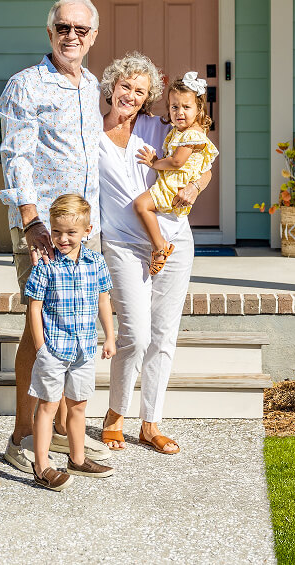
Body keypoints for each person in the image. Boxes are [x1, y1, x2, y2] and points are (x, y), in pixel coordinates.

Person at [0, 0, 109, 472]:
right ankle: (21, 437)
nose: (72, 37)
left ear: (93, 37)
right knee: (37, 323)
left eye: (81, 31)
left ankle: (63, 432)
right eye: (64, 28)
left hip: (85, 227)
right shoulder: (26, 85)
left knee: (75, 318)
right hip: (42, 226)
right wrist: (31, 220)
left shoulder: (91, 85)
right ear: (50, 32)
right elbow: (15, 155)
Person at [98, 53, 211, 454]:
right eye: (125, 86)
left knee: (164, 335)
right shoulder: (88, 134)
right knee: (136, 334)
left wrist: (195, 189)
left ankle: (151, 423)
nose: (130, 95)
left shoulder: (159, 128)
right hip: (124, 244)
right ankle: (115, 414)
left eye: (140, 90)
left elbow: (203, 161)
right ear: (111, 87)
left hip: (175, 242)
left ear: (149, 98)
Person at [26, 194, 115, 491]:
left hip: (84, 349)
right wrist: (40, 348)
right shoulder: (45, 266)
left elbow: (104, 300)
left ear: (87, 231)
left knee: (78, 405)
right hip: (53, 349)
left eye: (71, 232)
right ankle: (42, 466)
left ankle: (77, 459)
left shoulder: (95, 262)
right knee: (48, 406)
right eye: (57, 231)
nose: (63, 238)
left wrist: (110, 337)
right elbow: (34, 308)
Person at [133, 72, 218, 275]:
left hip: (172, 187)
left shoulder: (190, 134)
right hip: (172, 185)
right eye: (174, 107)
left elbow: (177, 161)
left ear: (199, 109)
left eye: (186, 107)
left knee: (141, 205)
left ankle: (160, 247)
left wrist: (154, 163)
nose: (180, 112)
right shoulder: (181, 131)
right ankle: (160, 243)